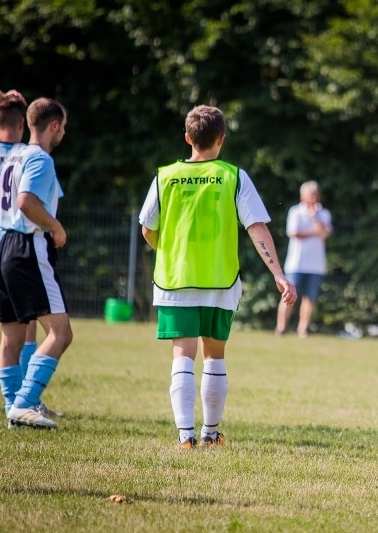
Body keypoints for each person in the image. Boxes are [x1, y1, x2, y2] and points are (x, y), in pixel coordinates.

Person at [139, 105, 296, 449]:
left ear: (187, 138)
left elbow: (148, 229)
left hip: (174, 279)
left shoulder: (165, 176)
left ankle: (185, 436)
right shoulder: (233, 176)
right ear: (221, 139)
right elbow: (257, 227)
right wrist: (278, 274)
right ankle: (210, 434)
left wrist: (169, 250)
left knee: (183, 354)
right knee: (214, 355)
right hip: (220, 281)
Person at [0, 97, 72, 429]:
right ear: (53, 125)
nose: (64, 133)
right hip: (28, 246)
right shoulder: (40, 158)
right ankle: (25, 404)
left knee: (11, 336)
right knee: (61, 332)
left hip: (3, 246)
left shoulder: (13, 156)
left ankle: (14, 407)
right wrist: (54, 226)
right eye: (64, 127)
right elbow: (26, 202)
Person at [275, 180, 332, 338]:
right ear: (302, 196)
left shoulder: (324, 213)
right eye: (310, 194)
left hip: (316, 265)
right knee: (288, 296)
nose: (313, 198)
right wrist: (315, 232)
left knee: (309, 299)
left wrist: (314, 218)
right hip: (296, 264)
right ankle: (281, 327)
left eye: (315, 194)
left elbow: (325, 233)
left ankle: (303, 329)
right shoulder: (295, 212)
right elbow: (294, 233)